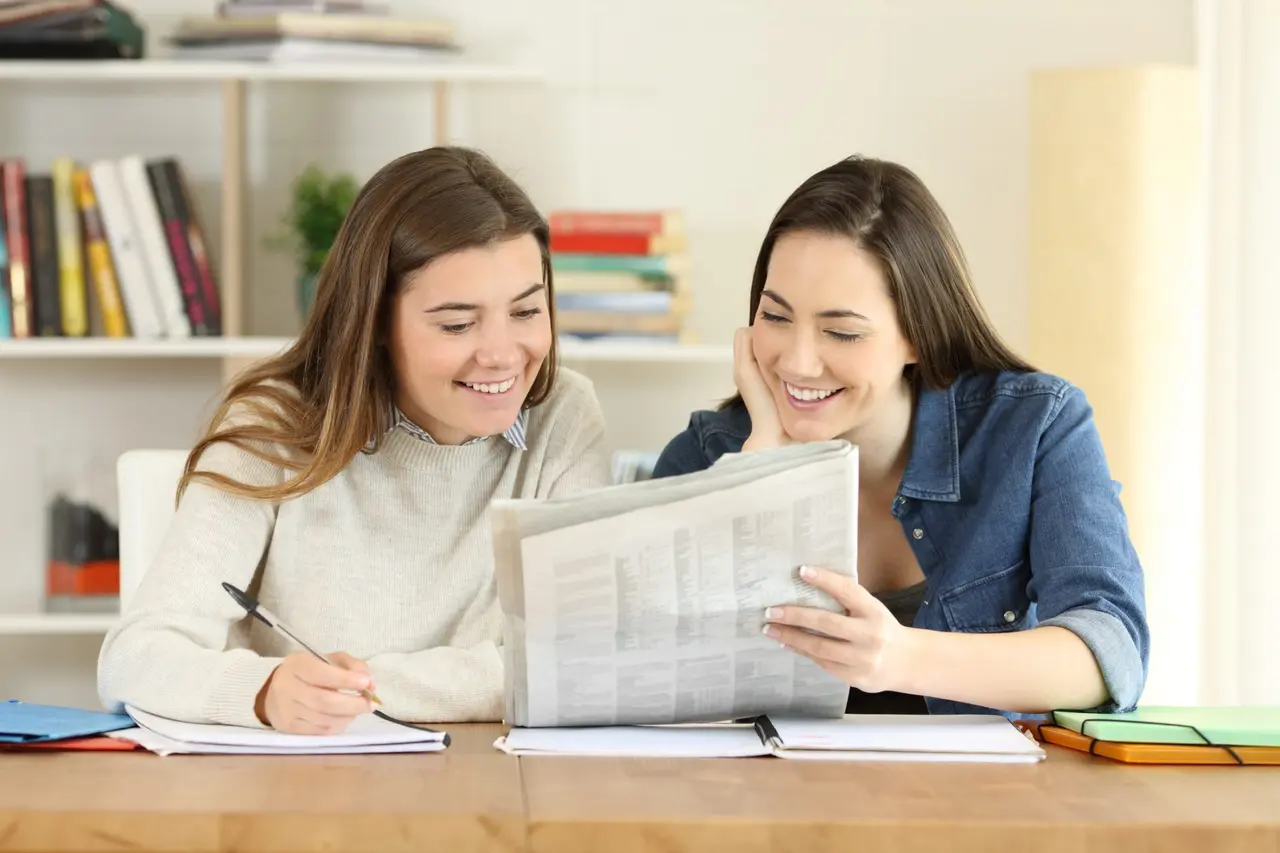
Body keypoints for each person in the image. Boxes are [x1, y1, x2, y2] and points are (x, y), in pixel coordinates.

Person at [97, 146, 614, 733]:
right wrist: (262, 690)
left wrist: (363, 685)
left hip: (492, 787)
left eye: (526, 312)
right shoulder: (275, 426)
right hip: (300, 795)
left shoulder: (563, 413)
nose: (501, 355)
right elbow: (134, 657)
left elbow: (583, 659)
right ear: (374, 322)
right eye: (457, 324)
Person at [653, 155, 1148, 718]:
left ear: (918, 335)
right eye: (776, 317)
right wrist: (764, 485)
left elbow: (1111, 654)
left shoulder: (1034, 427)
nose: (797, 361)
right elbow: (639, 681)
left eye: (841, 332)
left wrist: (901, 656)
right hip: (770, 802)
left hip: (985, 802)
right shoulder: (705, 457)